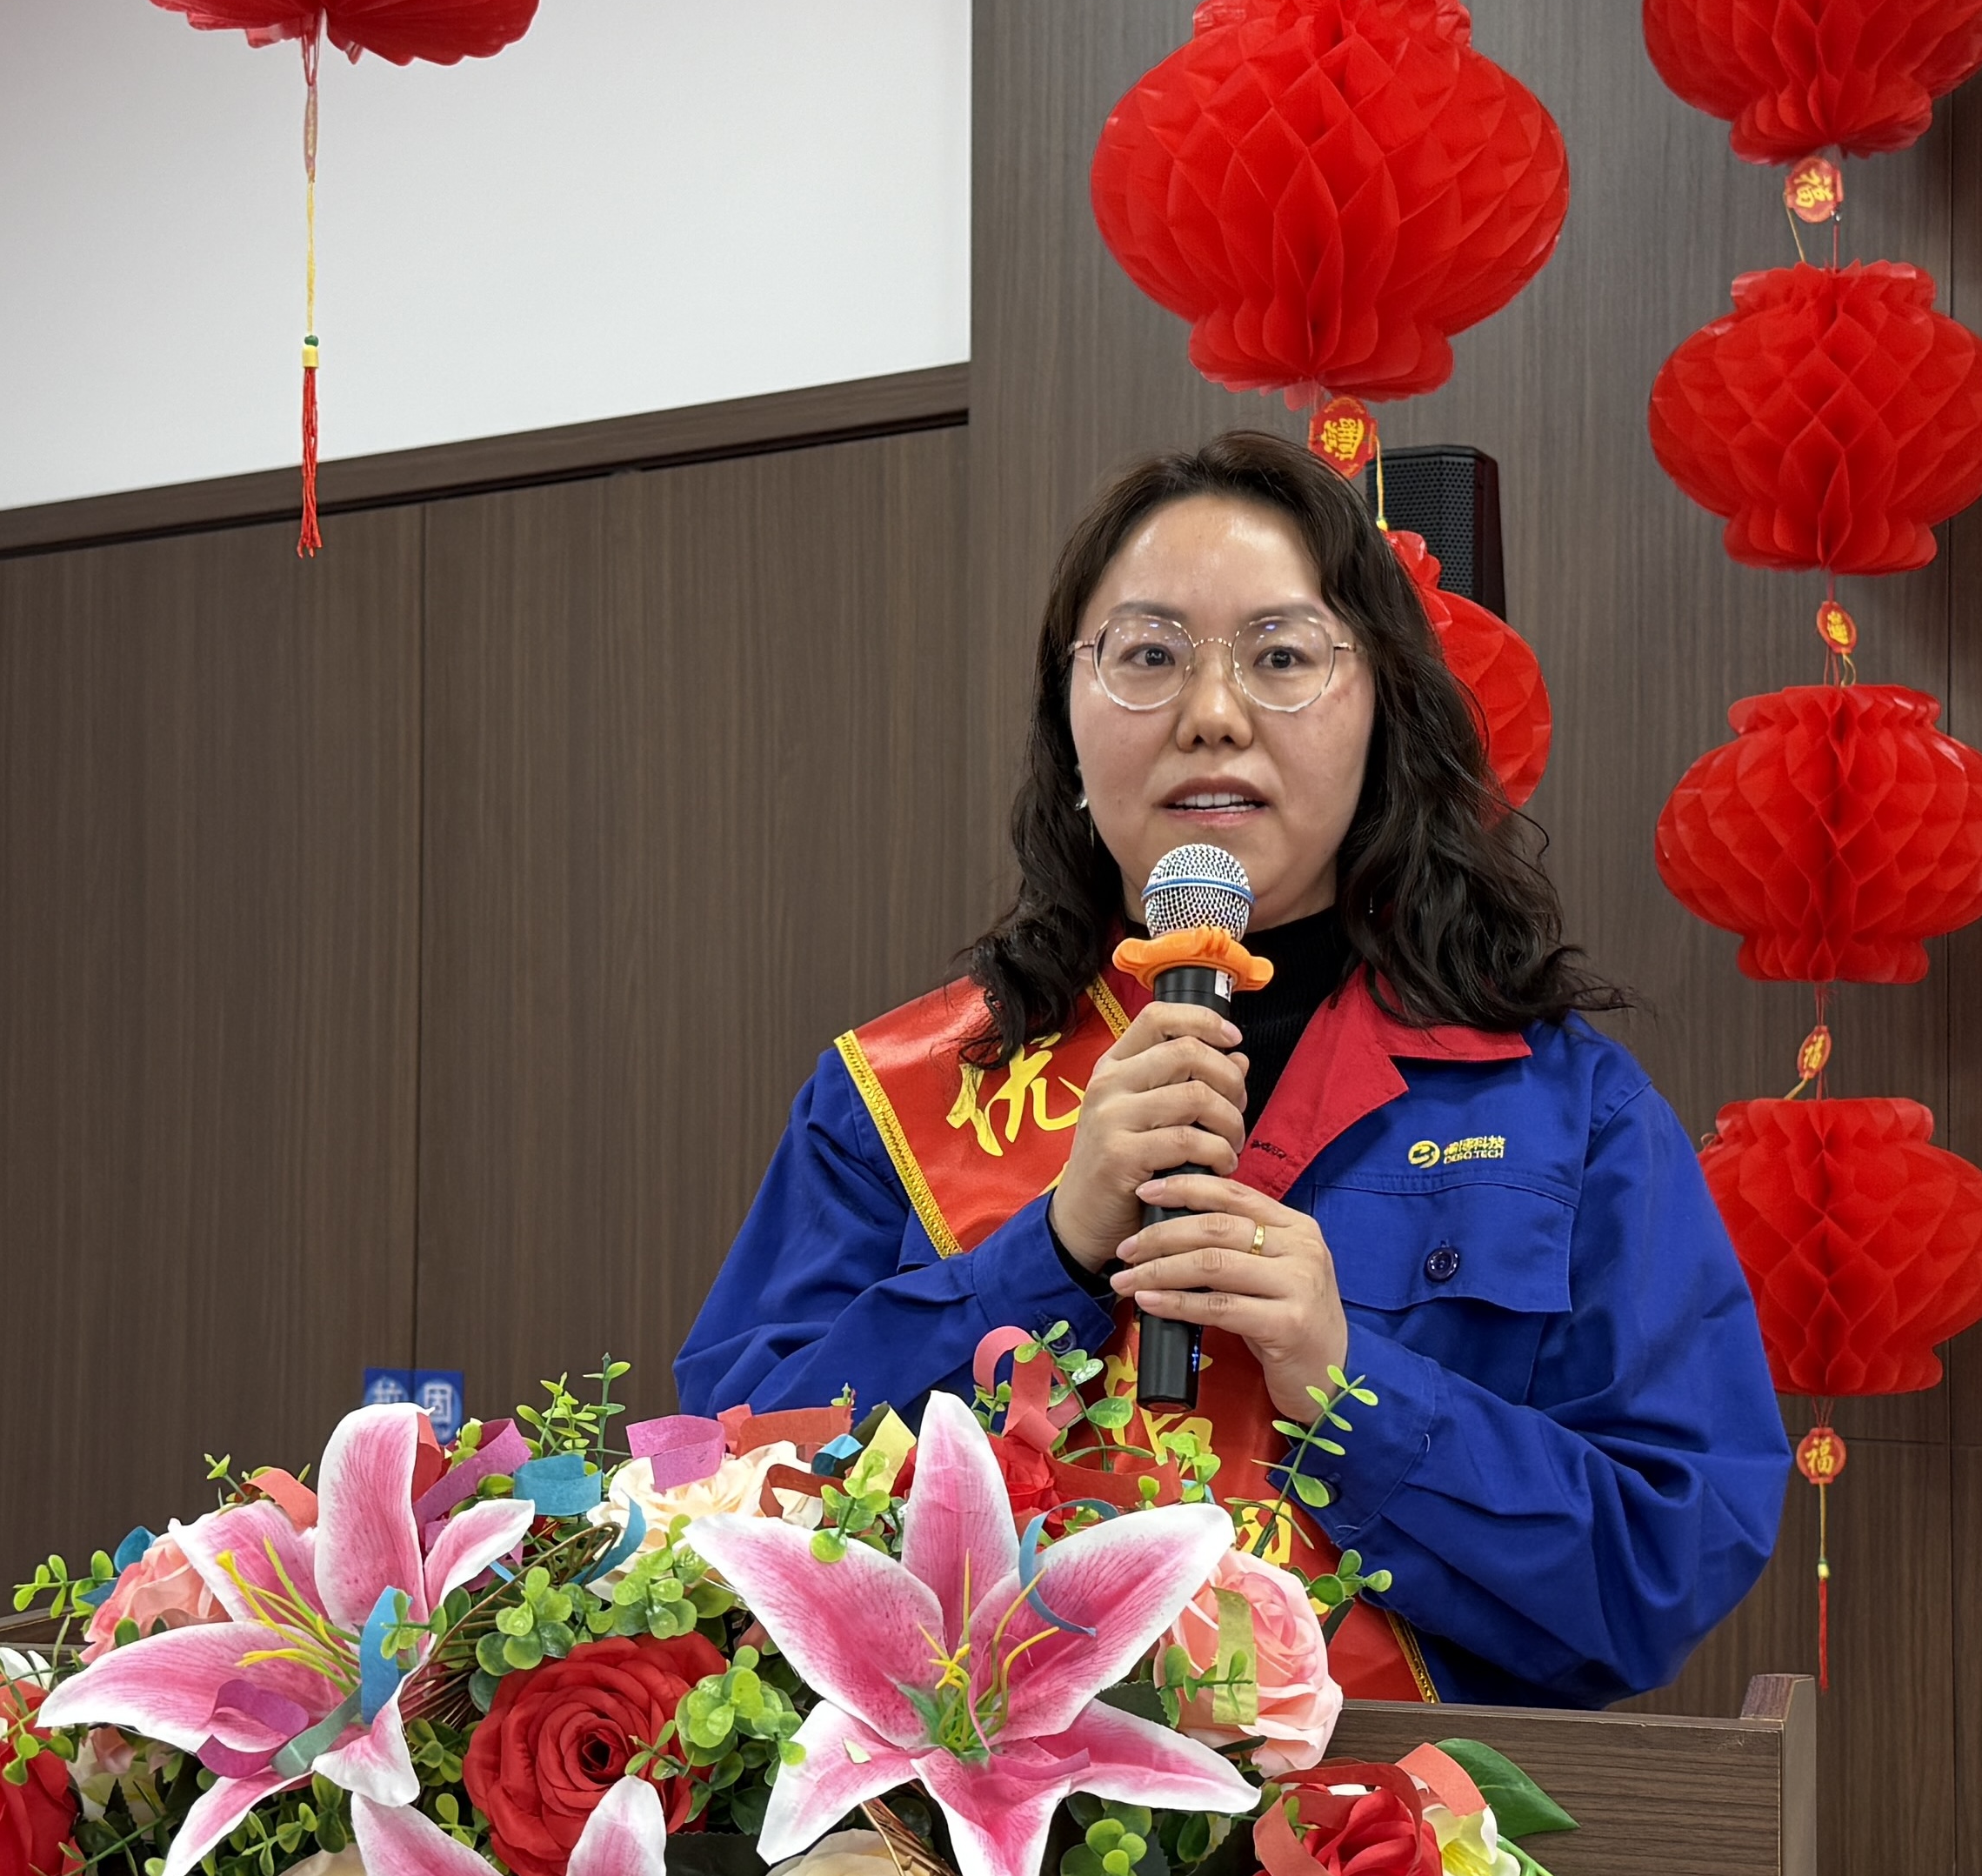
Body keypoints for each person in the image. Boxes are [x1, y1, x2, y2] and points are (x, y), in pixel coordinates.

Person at [675, 431, 1785, 1714]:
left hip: (1400, 1834)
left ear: (1381, 713)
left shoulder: (1564, 1109)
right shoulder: (895, 1092)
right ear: (1068, 718)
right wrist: (1052, 1254)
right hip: (974, 1828)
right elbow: (725, 1496)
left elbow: (1664, 1563)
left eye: (1281, 656)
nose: (1211, 712)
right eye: (1149, 656)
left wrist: (1349, 1388)